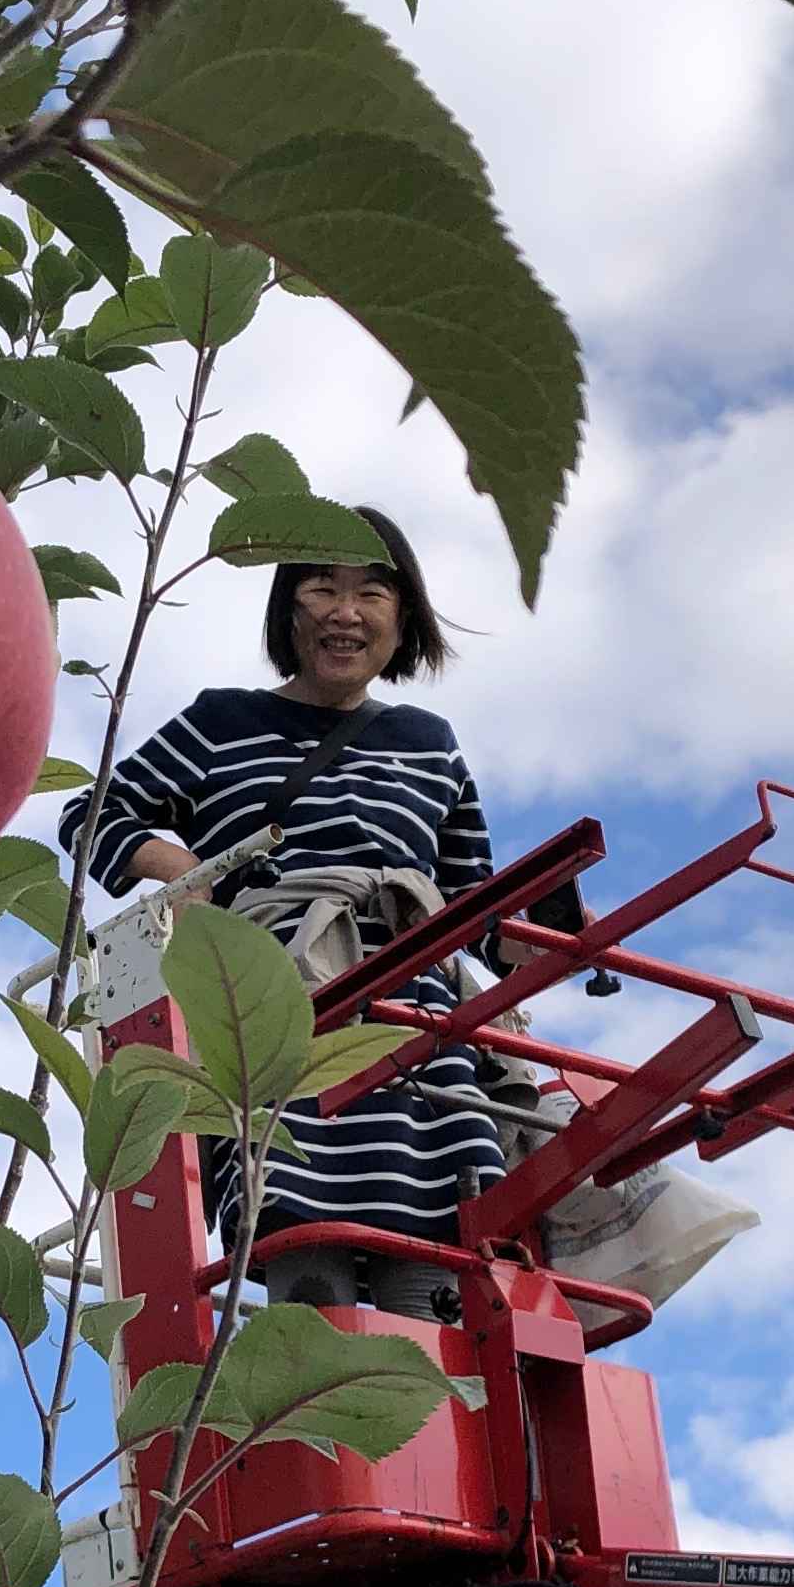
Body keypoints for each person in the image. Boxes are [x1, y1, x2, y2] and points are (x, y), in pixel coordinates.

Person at [61, 514, 503, 1321]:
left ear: (402, 621)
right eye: (322, 588)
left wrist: (547, 922)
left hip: (413, 1023)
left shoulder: (428, 743)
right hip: (271, 1003)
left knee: (430, 1266)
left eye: (372, 592)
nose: (346, 611)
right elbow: (92, 812)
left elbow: (476, 897)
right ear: (287, 609)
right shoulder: (222, 721)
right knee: (305, 1253)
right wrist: (182, 875)